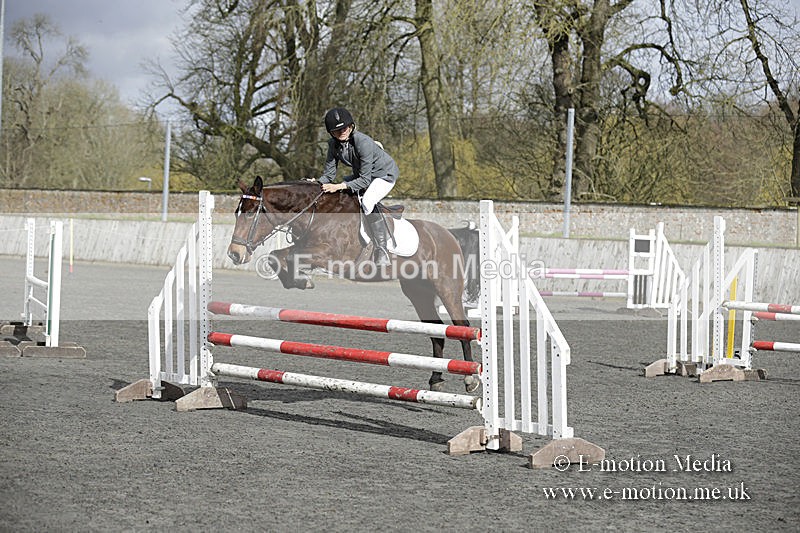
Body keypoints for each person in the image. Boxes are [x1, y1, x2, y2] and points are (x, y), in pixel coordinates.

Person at [318, 107, 399, 266]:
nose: (342, 132)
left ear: (351, 126)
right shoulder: (332, 145)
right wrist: (315, 184)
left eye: (344, 128)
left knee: (368, 201)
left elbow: (364, 180)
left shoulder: (363, 142)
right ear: (331, 133)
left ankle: (381, 249)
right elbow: (328, 175)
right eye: (336, 130)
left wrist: (339, 186)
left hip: (384, 175)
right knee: (342, 195)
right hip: (363, 175)